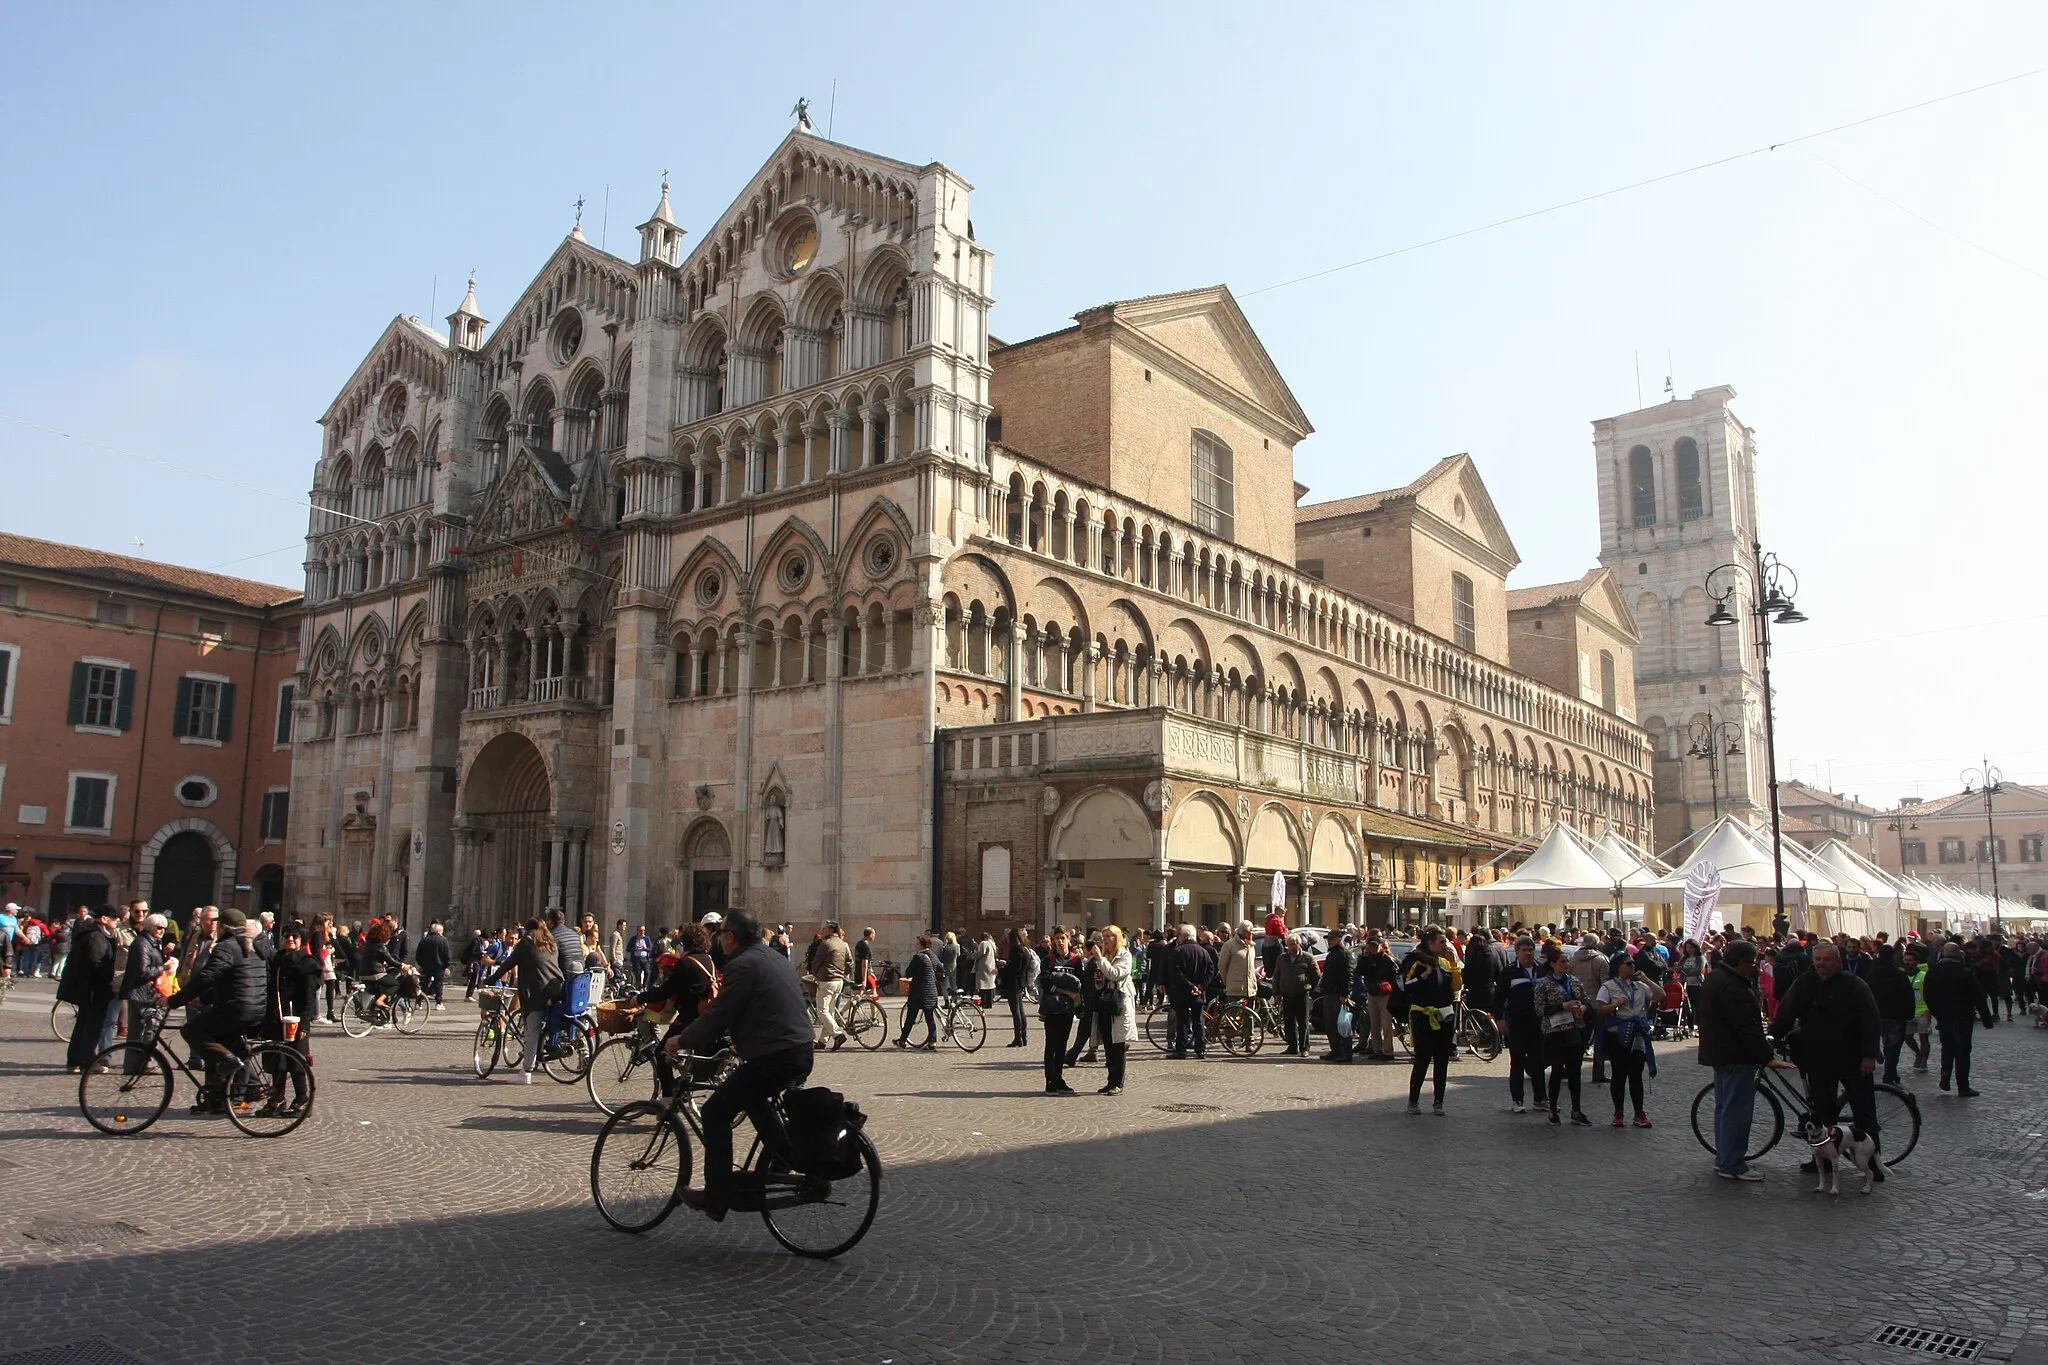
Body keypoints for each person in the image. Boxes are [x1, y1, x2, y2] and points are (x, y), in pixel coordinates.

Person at [670, 909, 815, 1222]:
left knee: (714, 1111)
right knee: (750, 1095)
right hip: (801, 1048)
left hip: (775, 1055)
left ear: (730, 937)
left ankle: (716, 1196)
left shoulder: (742, 965)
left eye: (720, 934)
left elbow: (718, 1015)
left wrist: (680, 1041)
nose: (718, 940)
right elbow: (801, 999)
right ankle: (783, 1153)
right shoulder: (777, 957)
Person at [1770, 941, 1882, 1152]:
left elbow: (1871, 1019)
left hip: (1853, 1057)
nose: (1822, 964)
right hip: (1819, 1058)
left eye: (1827, 959)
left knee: (1864, 1112)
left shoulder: (1853, 984)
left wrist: (1869, 1055)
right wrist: (1771, 1036)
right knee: (1822, 1112)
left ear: (1838, 962)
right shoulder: (1805, 983)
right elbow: (1786, 1013)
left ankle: (1873, 1160)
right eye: (1818, 959)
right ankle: (1822, 1159)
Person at [162, 909, 267, 1112]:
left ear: (222, 927)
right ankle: (219, 1097)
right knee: (221, 1044)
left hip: (235, 1007)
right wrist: (204, 998)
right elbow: (232, 979)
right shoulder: (256, 944)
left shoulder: (226, 946)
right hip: (254, 1006)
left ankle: (229, 1068)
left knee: (191, 1031)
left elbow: (207, 977)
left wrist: (174, 1000)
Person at [1696, 938, 1772, 1180]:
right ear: (1741, 963)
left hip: (1720, 1052)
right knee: (1736, 1110)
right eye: (1752, 962)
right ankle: (1732, 1162)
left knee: (1725, 1108)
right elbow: (1745, 1026)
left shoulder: (1716, 978)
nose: (1756, 967)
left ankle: (1725, 1158)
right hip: (1735, 1053)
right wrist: (1766, 1055)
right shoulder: (1733, 986)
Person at [637, 922, 721, 1090]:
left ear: (685, 943)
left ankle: (668, 1099)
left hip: (691, 1016)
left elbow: (666, 991)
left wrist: (640, 998)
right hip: (705, 1014)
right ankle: (683, 1084)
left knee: (662, 1052)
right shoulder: (707, 959)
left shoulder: (686, 963)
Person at [484, 920, 564, 1083]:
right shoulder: (551, 942)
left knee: (532, 1030)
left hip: (537, 991)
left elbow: (508, 964)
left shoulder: (526, 942)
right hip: (556, 986)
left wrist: (491, 979)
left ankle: (526, 1072)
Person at [1531, 941, 1591, 1127]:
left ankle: (1576, 1110)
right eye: (1562, 962)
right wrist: (1561, 1007)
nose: (1566, 965)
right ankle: (1553, 1110)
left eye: (1567, 961)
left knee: (1575, 1072)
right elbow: (1539, 1010)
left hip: (1574, 1029)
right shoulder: (1543, 984)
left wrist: (1583, 1007)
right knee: (1557, 1071)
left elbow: (1586, 1000)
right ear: (1553, 964)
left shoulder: (1573, 981)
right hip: (1555, 1031)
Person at [1922, 942, 1993, 1097]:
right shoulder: (1964, 972)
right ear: (1955, 953)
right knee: (1962, 1051)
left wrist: (1936, 1012)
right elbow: (1978, 995)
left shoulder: (1933, 972)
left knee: (1947, 1048)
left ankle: (1945, 1074)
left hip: (1944, 1017)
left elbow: (1927, 995)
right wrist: (1987, 1018)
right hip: (1963, 1016)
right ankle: (1963, 1086)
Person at [1401, 927, 1460, 1115]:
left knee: (1442, 1060)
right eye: (1442, 942)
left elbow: (1456, 986)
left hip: (1443, 1015)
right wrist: (1424, 974)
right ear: (1431, 943)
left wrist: (1453, 965)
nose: (1445, 945)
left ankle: (1438, 1102)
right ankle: (1413, 1100)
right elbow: (1405, 985)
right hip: (1423, 1016)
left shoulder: (1444, 961)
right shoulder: (1415, 960)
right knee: (1422, 1059)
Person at [58, 906, 122, 1073]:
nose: (118, 920)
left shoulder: (93, 934)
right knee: (91, 1026)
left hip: (88, 988)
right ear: (104, 919)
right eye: (114, 917)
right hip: (94, 988)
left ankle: (75, 1061)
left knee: (84, 1024)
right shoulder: (96, 937)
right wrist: (110, 979)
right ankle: (86, 1061)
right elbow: (97, 963)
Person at [1595, 954, 1656, 1128]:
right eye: (1628, 964)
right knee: (1619, 1074)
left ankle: (1639, 1113)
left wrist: (1646, 979)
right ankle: (1618, 1112)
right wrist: (1615, 1005)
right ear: (1618, 967)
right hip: (1617, 1034)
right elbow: (1599, 1009)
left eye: (1633, 964)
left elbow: (1660, 995)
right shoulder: (1608, 987)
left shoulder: (1640, 986)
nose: (1632, 966)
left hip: (1637, 1034)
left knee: (1636, 1074)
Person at [1491, 936, 1546, 1113]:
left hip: (1539, 1022)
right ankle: (1518, 1100)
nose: (1528, 953)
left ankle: (1540, 1099)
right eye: (1524, 950)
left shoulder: (1542, 970)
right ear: (1517, 952)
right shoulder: (1509, 972)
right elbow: (1498, 998)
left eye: (1531, 949)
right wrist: (1499, 1019)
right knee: (1517, 1062)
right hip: (1517, 1023)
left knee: (1538, 1062)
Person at [1086, 925, 1138, 1095]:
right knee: (1108, 1044)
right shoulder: (1103, 955)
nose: (1106, 939)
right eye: (1104, 936)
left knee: (1118, 1045)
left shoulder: (1125, 955)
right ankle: (1110, 1081)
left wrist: (1101, 960)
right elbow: (1099, 978)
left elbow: (1115, 974)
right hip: (1104, 1003)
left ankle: (1118, 1082)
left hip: (1119, 1004)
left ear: (1117, 938)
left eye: (1109, 936)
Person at [1037, 927, 1083, 1094]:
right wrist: (1066, 991)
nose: (1060, 941)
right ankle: (1050, 1080)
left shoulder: (1076, 961)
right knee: (1051, 1045)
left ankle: (1059, 1078)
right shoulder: (1048, 960)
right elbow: (1045, 983)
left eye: (1063, 937)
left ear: (1069, 939)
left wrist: (1078, 1004)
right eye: (1057, 938)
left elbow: (1080, 984)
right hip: (1052, 1009)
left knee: (1062, 1045)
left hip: (1067, 1009)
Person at [1866, 944, 1917, 1086]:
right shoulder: (1899, 974)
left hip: (1878, 1014)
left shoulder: (1872, 974)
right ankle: (1889, 1074)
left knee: (1887, 1043)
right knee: (1893, 1046)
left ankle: (1891, 1073)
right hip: (1895, 1015)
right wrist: (1909, 1013)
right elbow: (1908, 995)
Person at [1166, 924, 1213, 1060]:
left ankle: (1181, 1050)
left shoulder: (1178, 951)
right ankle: (1201, 1050)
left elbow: (1176, 973)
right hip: (1198, 993)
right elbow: (1211, 971)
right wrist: (1201, 987)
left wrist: (1190, 986)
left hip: (1182, 992)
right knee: (1199, 1021)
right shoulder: (1203, 951)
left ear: (1183, 936)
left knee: (1182, 1022)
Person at [807, 921, 853, 1051]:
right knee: (830, 1011)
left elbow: (816, 961)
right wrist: (844, 973)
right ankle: (822, 1041)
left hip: (826, 980)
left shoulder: (826, 944)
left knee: (821, 1011)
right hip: (839, 981)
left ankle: (837, 1035)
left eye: (825, 929)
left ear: (831, 930)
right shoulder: (844, 944)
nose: (822, 931)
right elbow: (850, 963)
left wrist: (815, 975)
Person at [1272, 932, 1318, 1056]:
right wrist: (1276, 993)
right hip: (1287, 995)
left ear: (1299, 944)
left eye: (1295, 944)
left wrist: (1309, 987)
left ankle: (1304, 1048)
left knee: (1303, 1023)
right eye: (1291, 944)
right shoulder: (1282, 958)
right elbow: (1277, 976)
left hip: (1302, 995)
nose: (1293, 946)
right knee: (1289, 1023)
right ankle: (1292, 1047)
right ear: (1287, 945)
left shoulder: (1307, 958)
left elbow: (1316, 975)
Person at [1355, 934, 1397, 1061]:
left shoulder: (1387, 960)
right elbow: (1359, 971)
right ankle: (1377, 1049)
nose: (1373, 948)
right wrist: (1365, 957)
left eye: (1375, 946)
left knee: (1386, 1024)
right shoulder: (1366, 958)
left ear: (1380, 946)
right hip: (1372, 993)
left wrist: (1389, 986)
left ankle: (1388, 1051)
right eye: (1370, 946)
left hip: (1385, 994)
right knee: (1374, 1023)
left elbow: (1395, 975)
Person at [1316, 928, 1355, 1063]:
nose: (1329, 942)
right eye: (1328, 939)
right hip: (1329, 993)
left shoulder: (1344, 954)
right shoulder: (1331, 954)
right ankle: (1335, 1050)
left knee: (1342, 1025)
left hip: (1339, 995)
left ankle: (1346, 1052)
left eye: (1331, 939)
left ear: (1338, 939)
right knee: (1331, 1025)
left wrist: (1345, 994)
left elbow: (1349, 975)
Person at [896, 934, 940, 1050]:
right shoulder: (933, 956)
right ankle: (932, 1042)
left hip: (919, 992)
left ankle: (902, 1040)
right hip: (931, 991)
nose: (915, 945)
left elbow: (908, 972)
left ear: (921, 945)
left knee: (910, 1017)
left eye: (917, 943)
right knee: (930, 1018)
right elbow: (940, 970)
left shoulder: (918, 957)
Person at [997, 927, 1035, 1048]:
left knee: (1016, 1011)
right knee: (1021, 1011)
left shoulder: (1015, 949)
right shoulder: (1026, 950)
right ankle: (1024, 1037)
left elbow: (1014, 969)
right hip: (1021, 981)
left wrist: (1002, 970)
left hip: (1013, 982)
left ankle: (1018, 1037)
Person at [1218, 923, 1258, 1013]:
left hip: (1250, 988)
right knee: (1234, 1016)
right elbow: (1222, 966)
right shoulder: (1229, 945)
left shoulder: (1251, 946)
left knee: (1249, 1016)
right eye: (1249, 932)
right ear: (1243, 932)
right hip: (1235, 989)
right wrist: (1227, 981)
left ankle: (1248, 1028)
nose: (1252, 934)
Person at [415, 922, 451, 1005]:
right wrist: (446, 965)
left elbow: (418, 954)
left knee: (424, 984)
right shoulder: (443, 940)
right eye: (442, 930)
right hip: (439, 966)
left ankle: (419, 1002)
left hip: (426, 965)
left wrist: (421, 963)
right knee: (439, 984)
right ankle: (438, 1003)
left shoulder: (424, 940)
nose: (442, 932)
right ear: (439, 931)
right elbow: (447, 954)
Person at [973, 931, 999, 1009]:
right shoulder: (992, 943)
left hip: (984, 966)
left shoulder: (984, 943)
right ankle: (989, 1003)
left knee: (983, 986)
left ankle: (984, 1003)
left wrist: (973, 955)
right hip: (991, 965)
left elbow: (981, 953)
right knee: (990, 985)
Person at [628, 925, 654, 990]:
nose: (642, 932)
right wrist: (635, 948)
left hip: (644, 958)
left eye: (643, 930)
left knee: (647, 972)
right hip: (636, 958)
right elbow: (628, 948)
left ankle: (645, 986)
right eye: (640, 930)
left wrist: (645, 948)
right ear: (637, 931)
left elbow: (651, 948)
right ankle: (639, 986)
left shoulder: (647, 938)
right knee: (637, 973)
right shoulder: (633, 939)